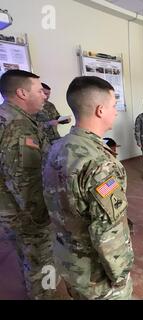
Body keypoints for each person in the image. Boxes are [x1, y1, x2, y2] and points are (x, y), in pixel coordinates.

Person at [42, 76, 134, 300]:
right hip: (96, 273)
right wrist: (121, 276)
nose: (116, 112)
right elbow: (108, 230)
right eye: (114, 106)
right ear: (100, 110)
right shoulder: (100, 163)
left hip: (68, 260)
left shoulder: (57, 147)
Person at [0, 70, 55, 299]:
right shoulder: (19, 128)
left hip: (9, 210)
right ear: (22, 93)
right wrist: (48, 219)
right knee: (42, 265)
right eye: (39, 90)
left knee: (28, 258)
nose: (44, 96)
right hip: (27, 216)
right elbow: (26, 186)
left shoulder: (5, 117)